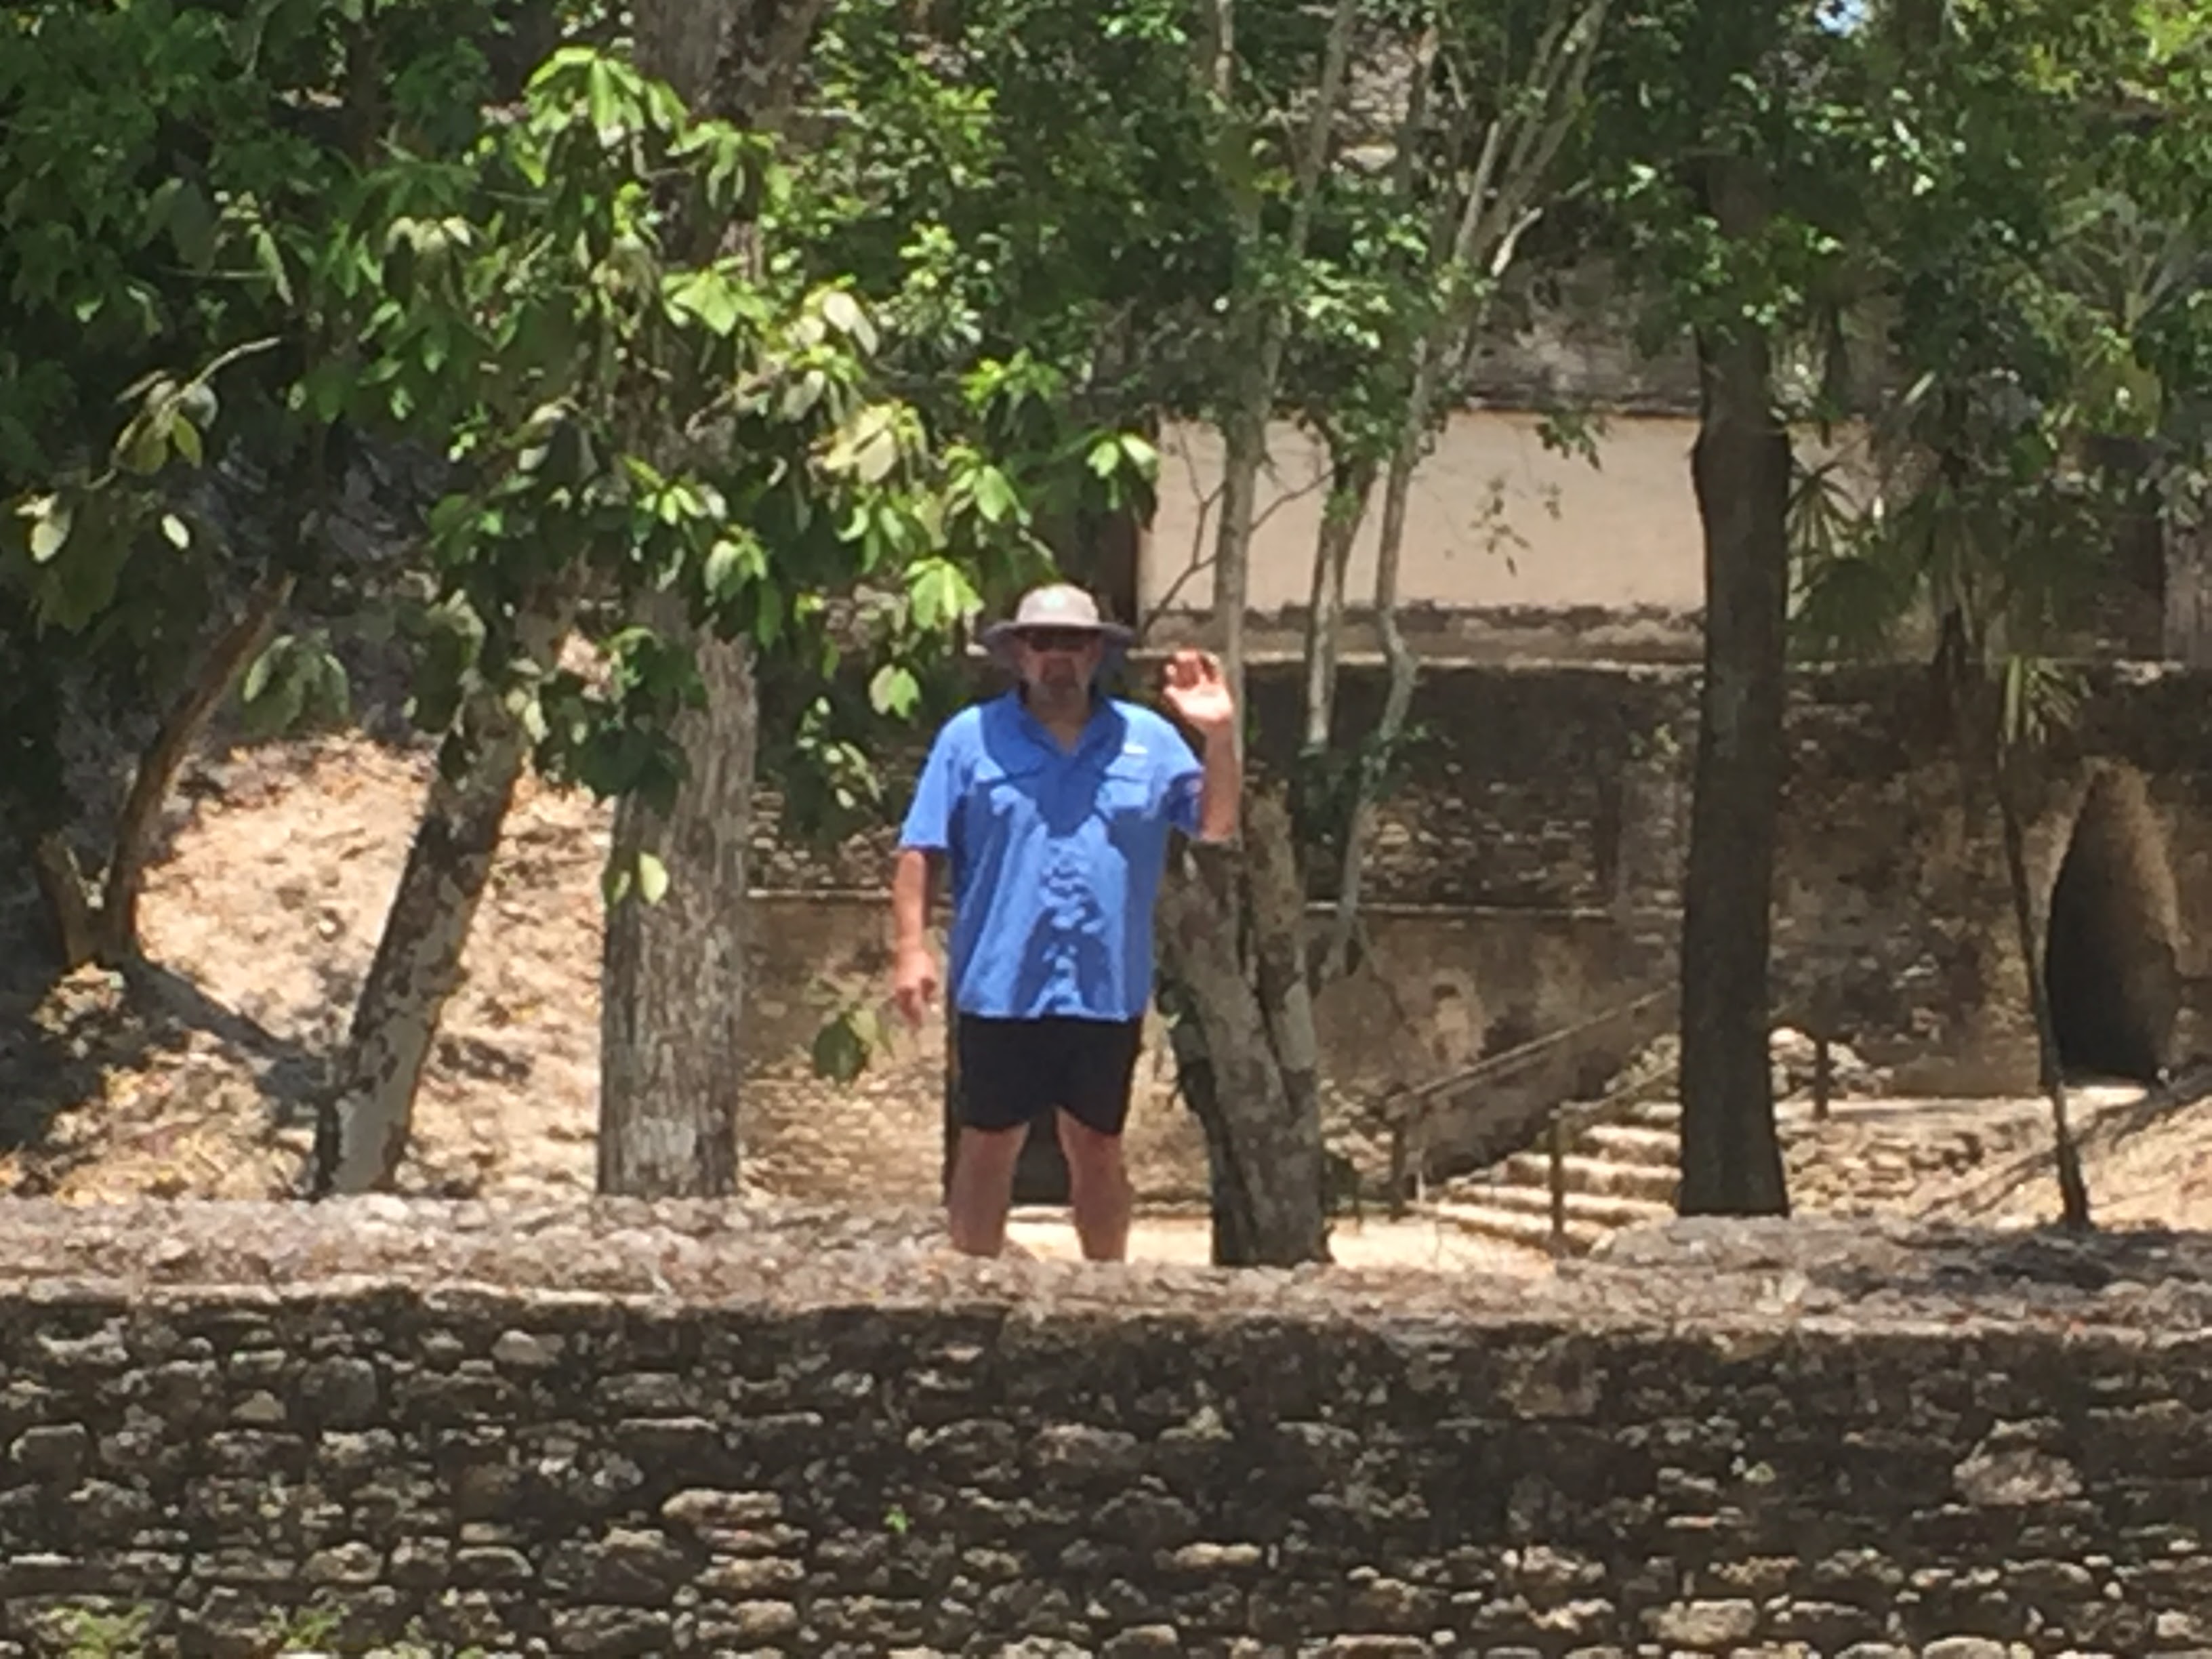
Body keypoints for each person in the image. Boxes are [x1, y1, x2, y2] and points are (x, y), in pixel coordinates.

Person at [888, 583, 1240, 1261]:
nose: (1058, 656)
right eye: (1042, 641)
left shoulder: (1148, 740)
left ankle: (1103, 1292)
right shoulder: (970, 738)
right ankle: (972, 1289)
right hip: (1001, 980)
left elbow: (1216, 823)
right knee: (988, 1143)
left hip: (1104, 983)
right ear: (1018, 653)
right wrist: (912, 948)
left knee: (1098, 1143)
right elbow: (920, 848)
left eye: (1074, 643)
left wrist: (1219, 737)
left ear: (1097, 653)